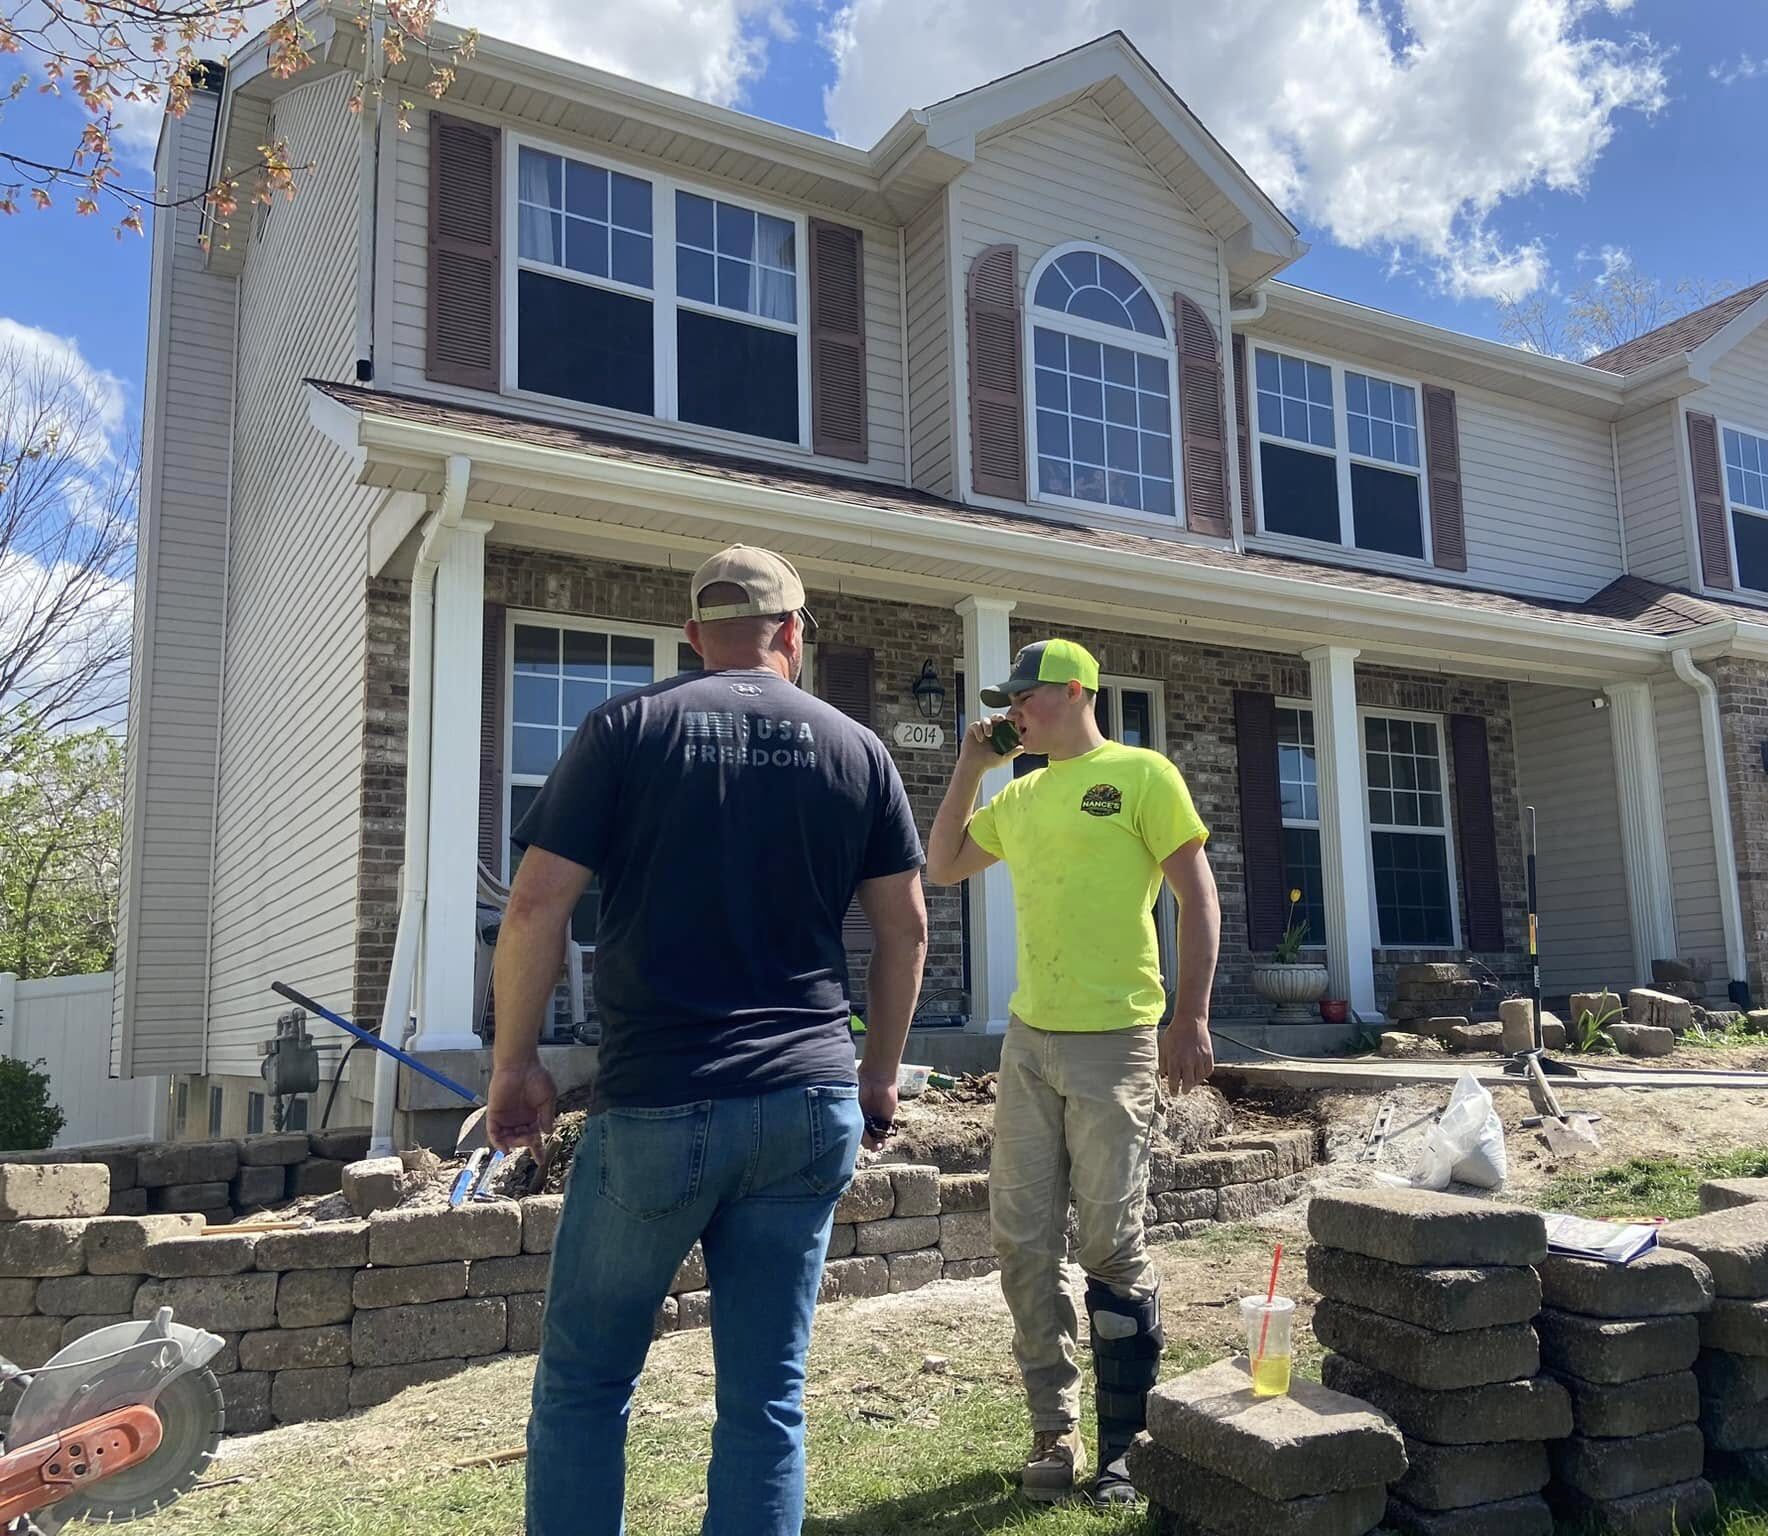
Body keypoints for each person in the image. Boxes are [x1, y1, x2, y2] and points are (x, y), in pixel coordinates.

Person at [488, 544, 929, 1536]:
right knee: (765, 1403)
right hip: (810, 1104)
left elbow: (533, 913)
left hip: (660, 1103)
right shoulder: (856, 749)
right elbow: (905, 933)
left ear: (694, 638)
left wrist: (516, 1065)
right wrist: (878, 1077)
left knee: (586, 1381)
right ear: (793, 633)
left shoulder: (626, 729)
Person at [925, 637, 1220, 1505]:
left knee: (1109, 1243)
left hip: (1116, 1039)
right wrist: (970, 766)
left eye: (1023, 698)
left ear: (1073, 691)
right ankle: (1052, 1427)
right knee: (1022, 1239)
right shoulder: (1020, 793)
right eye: (1007, 703)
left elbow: (1195, 895)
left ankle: (1125, 1442)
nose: (1012, 712)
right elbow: (942, 866)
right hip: (1029, 1041)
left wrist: (1190, 1015)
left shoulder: (1143, 775)